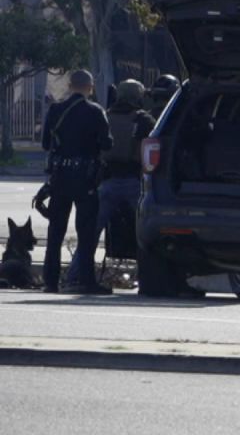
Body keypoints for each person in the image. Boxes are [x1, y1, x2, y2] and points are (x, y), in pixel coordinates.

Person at [68, 80, 155, 294]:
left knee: (90, 234)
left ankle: (74, 276)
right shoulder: (143, 119)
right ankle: (149, 280)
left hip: (107, 182)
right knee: (146, 235)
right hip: (135, 183)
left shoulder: (105, 115)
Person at [40, 69, 111, 294]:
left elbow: (45, 143)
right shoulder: (95, 111)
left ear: (70, 86)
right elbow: (107, 144)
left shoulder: (56, 109)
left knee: (56, 231)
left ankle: (50, 281)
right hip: (85, 178)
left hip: (60, 177)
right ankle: (86, 281)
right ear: (90, 88)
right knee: (86, 232)